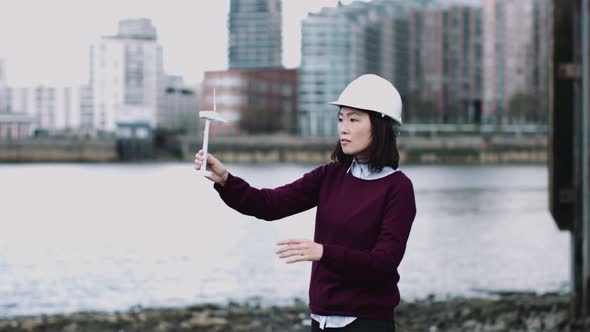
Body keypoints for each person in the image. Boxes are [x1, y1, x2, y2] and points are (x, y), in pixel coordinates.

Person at [194, 74, 416, 332]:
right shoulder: (329, 175)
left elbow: (383, 263)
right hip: (320, 319)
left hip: (368, 322)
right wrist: (226, 180)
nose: (343, 128)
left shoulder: (398, 188)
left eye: (354, 119)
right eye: (341, 119)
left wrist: (324, 252)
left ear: (380, 126)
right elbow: (269, 204)